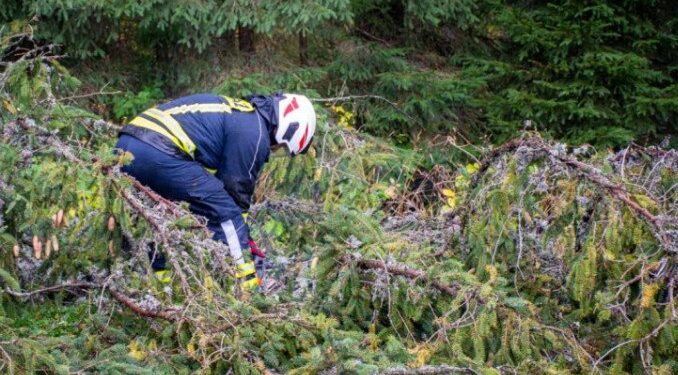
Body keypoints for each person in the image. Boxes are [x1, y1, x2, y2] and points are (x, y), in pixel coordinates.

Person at [114, 92, 316, 290]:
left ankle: (160, 284)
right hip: (157, 150)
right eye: (280, 147)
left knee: (164, 215)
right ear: (288, 128)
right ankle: (247, 288)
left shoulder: (242, 115)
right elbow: (234, 195)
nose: (273, 150)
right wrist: (244, 241)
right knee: (225, 214)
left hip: (128, 143)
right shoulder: (255, 133)